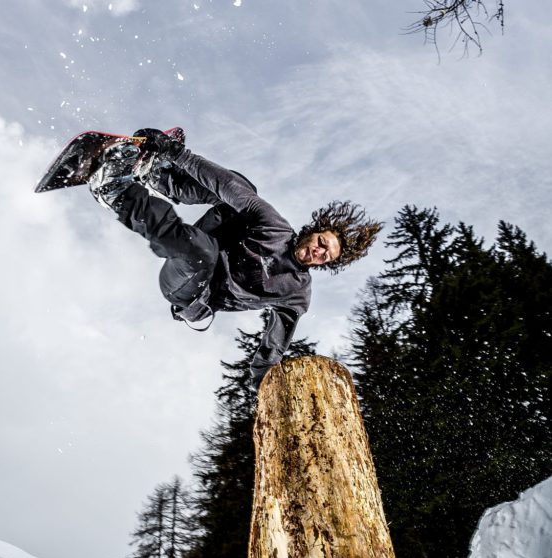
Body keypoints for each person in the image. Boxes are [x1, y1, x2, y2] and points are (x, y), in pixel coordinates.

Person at [89, 129, 382, 388]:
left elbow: (273, 347)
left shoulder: (297, 294)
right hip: (201, 248)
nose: (318, 252)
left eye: (326, 256)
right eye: (321, 242)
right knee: (242, 190)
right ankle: (160, 175)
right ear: (313, 231)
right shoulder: (273, 225)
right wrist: (176, 153)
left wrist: (267, 390)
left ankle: (116, 194)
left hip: (191, 293)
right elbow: (224, 184)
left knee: (203, 254)